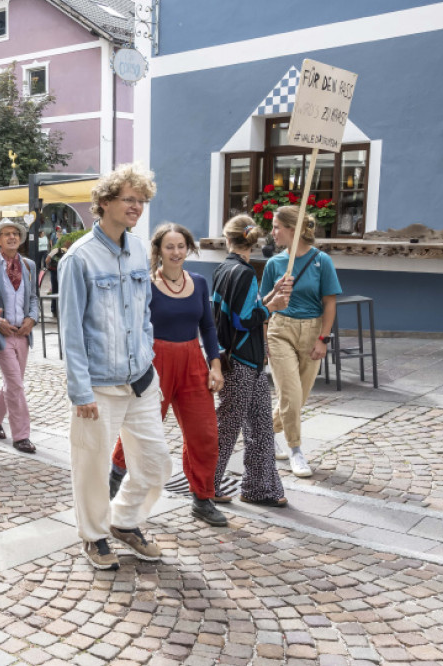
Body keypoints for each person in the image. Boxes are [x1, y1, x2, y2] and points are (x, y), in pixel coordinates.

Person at [59, 163, 169, 570]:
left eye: (141, 200)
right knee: (92, 466)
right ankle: (94, 536)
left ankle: (124, 521)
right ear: (104, 203)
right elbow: (71, 332)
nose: (137, 206)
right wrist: (80, 391)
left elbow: (144, 313)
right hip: (99, 385)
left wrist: (148, 356)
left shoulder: (140, 249)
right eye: (129, 199)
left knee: (156, 461)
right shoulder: (79, 259)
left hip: (140, 379)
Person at [107, 224, 228, 527]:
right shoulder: (145, 284)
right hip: (154, 363)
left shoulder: (199, 283)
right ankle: (114, 480)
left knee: (204, 433)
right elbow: (130, 327)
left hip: (192, 363)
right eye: (169, 247)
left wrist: (215, 364)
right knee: (140, 429)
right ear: (158, 251)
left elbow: (208, 328)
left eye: (181, 246)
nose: (176, 252)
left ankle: (202, 499)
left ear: (189, 249)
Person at [213, 215, 293, 506]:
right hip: (240, 360)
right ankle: (206, 485)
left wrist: (271, 294)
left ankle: (260, 489)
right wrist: (273, 306)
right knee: (229, 426)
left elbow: (248, 306)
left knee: (260, 426)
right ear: (253, 242)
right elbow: (244, 319)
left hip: (250, 360)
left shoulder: (225, 269)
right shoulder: (243, 273)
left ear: (228, 239)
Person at [261, 205, 341, 478]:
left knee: (298, 398)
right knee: (291, 395)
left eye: (276, 227)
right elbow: (263, 305)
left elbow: (330, 303)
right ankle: (296, 451)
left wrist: (323, 339)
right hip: (280, 329)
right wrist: (275, 293)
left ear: (292, 230)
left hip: (311, 331)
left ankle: (263, 431)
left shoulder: (322, 261)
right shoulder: (274, 264)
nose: (272, 232)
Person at [0, 220, 39, 454]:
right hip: (2, 334)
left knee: (12, 383)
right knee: (16, 384)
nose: (12, 237)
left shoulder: (28, 265)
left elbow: (34, 297)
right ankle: (21, 436)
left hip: (23, 333)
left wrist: (32, 319)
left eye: (15, 234)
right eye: (6, 234)